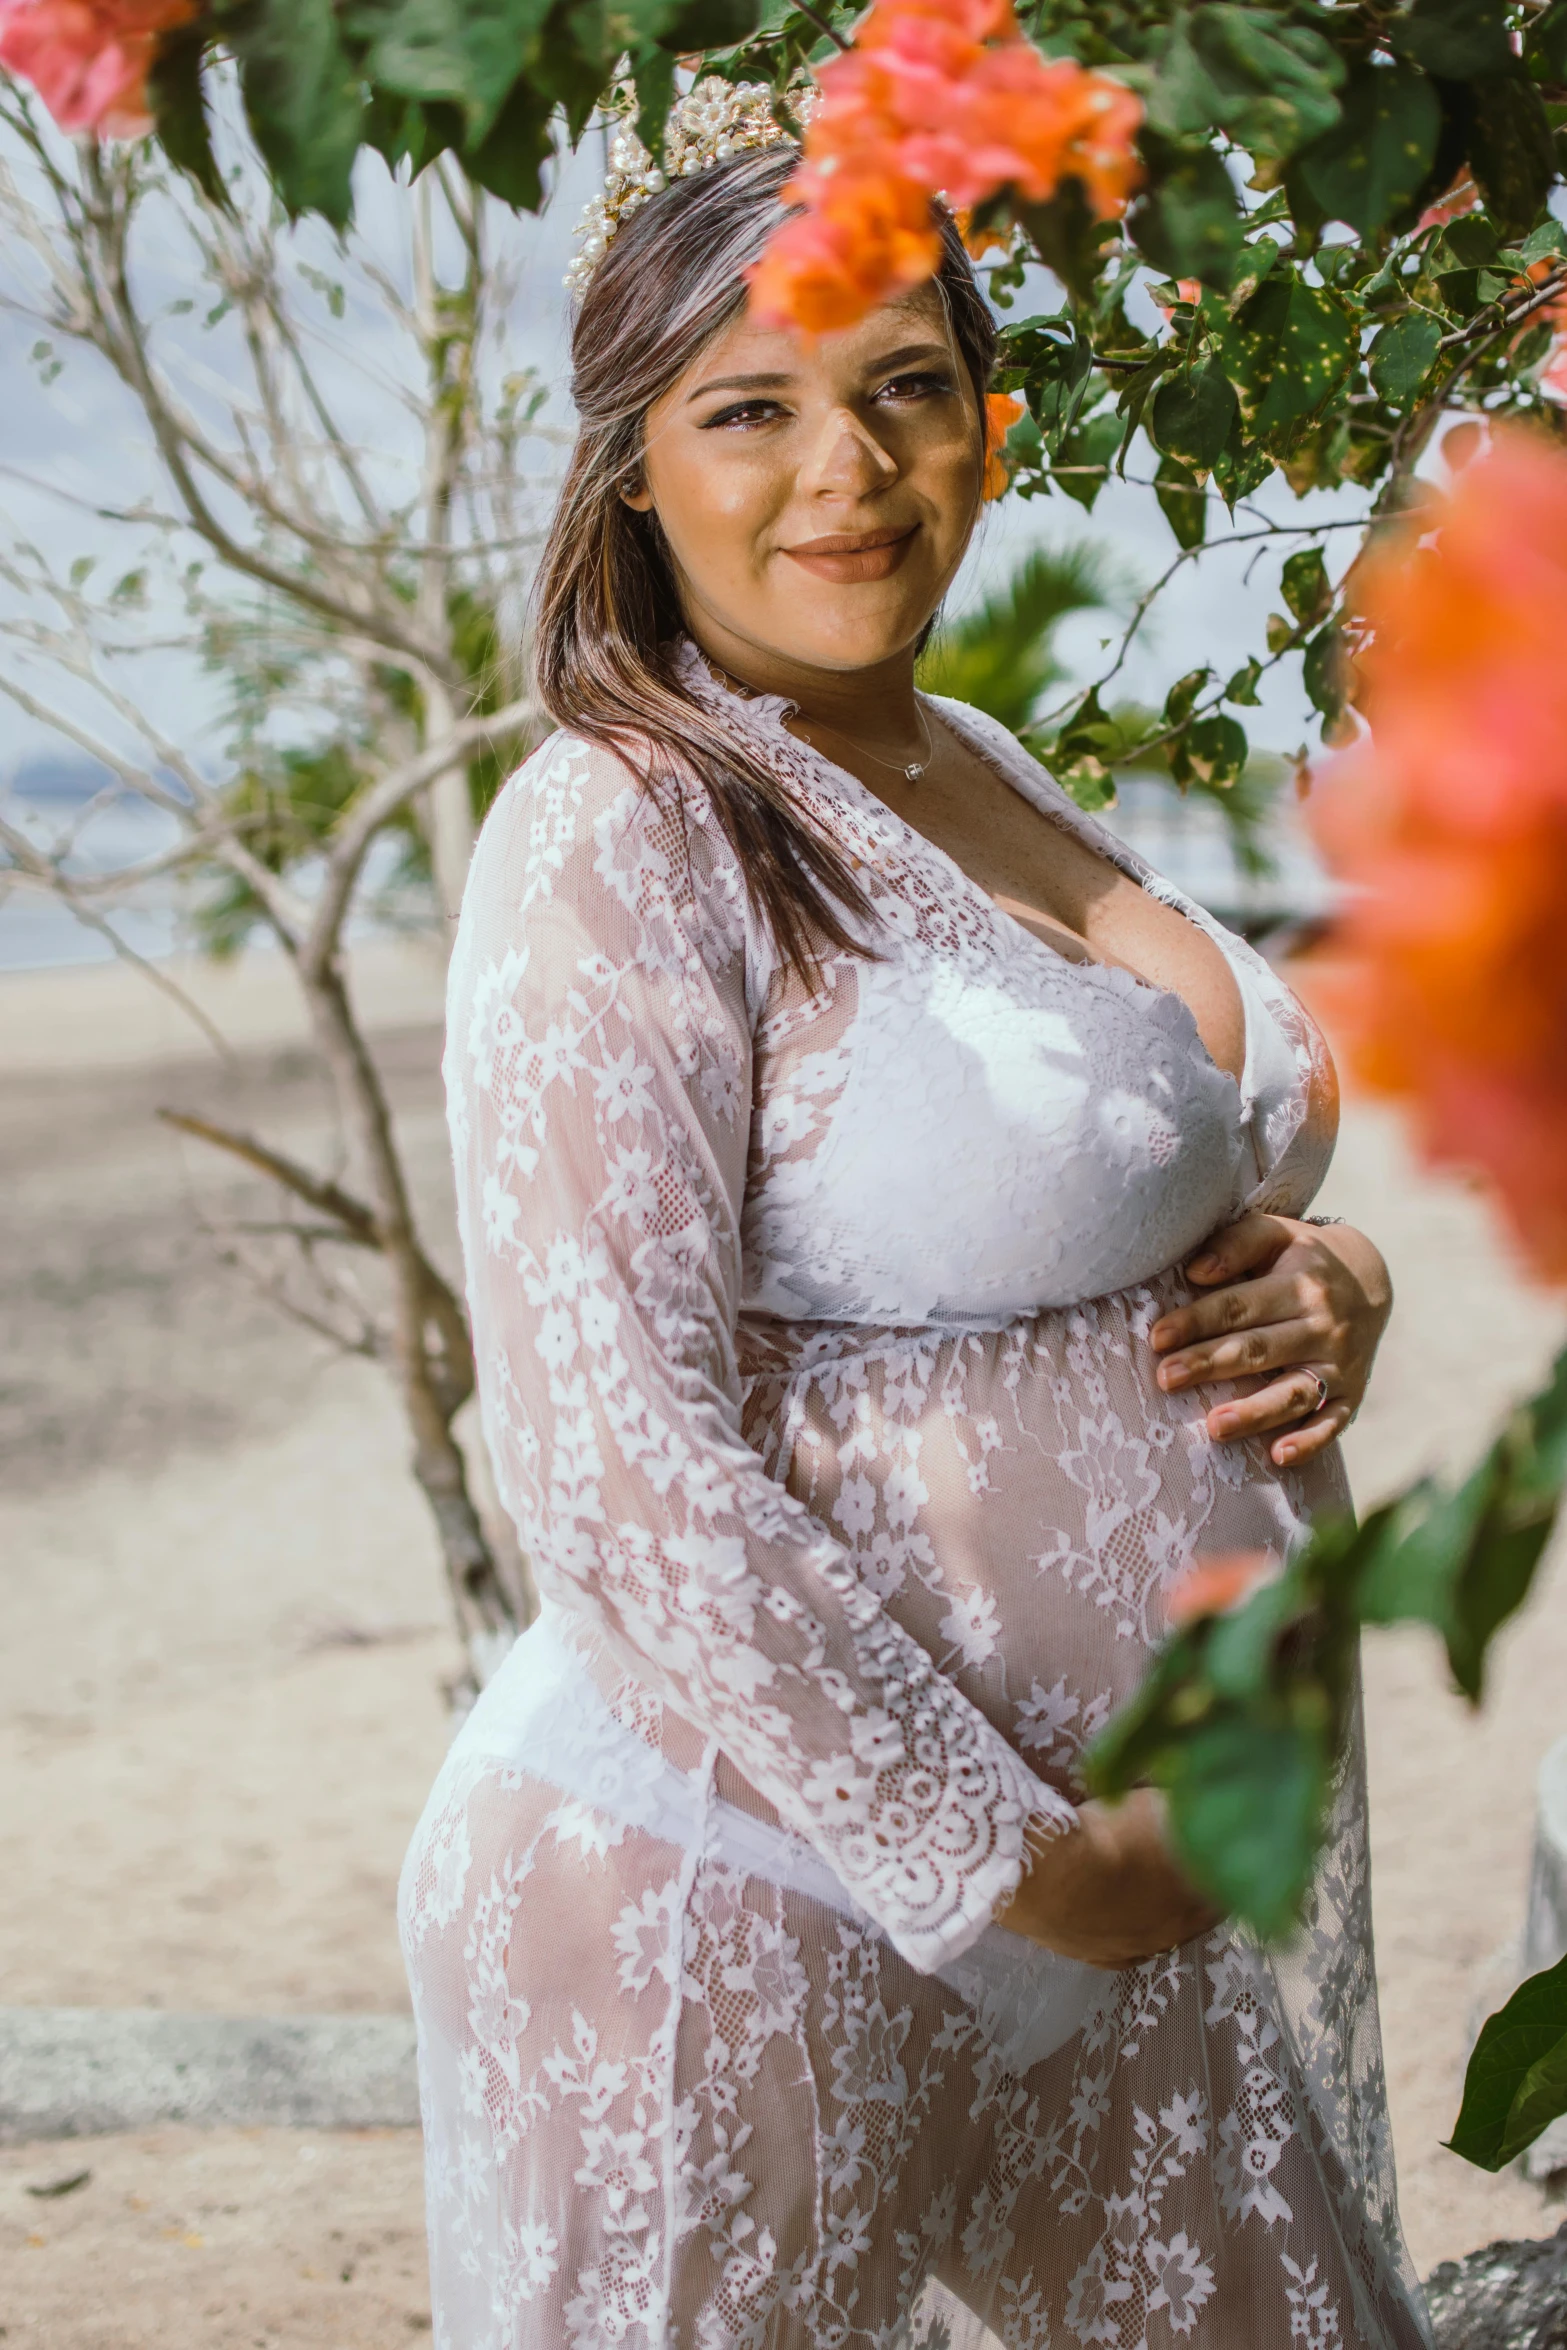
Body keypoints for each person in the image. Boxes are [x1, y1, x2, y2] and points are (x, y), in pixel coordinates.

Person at [399, 90, 1429, 2350]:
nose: (841, 466)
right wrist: (1038, 1867)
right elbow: (602, 1449)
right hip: (745, 1881)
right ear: (633, 462)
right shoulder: (621, 823)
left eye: (904, 388)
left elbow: (1193, 1145)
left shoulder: (978, 761)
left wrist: (1332, 1272)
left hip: (1113, 1892)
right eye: (748, 407)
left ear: (987, 419)